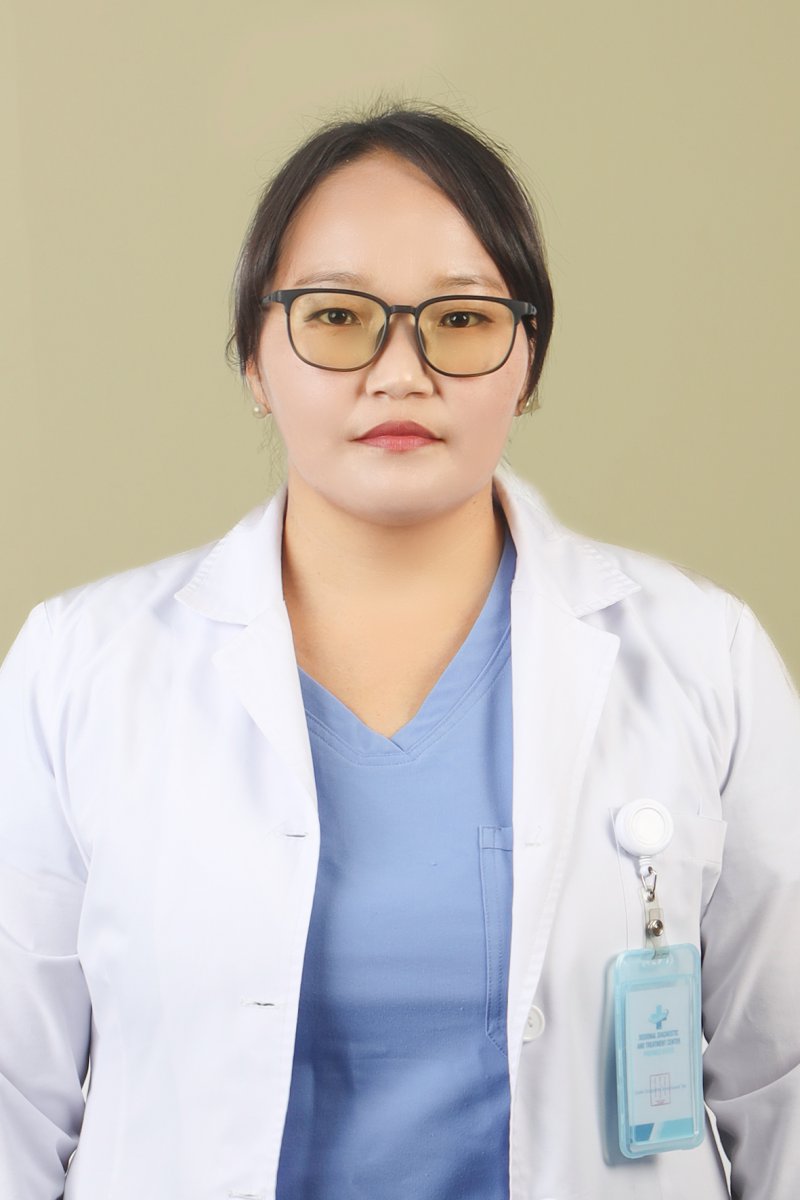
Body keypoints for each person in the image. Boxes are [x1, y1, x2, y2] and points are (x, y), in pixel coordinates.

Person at [0, 101, 798, 1200]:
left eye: (460, 319)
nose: (400, 371)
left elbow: (782, 1081)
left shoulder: (702, 656)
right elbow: (14, 1094)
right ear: (254, 360)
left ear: (526, 361)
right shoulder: (79, 667)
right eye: (337, 315)